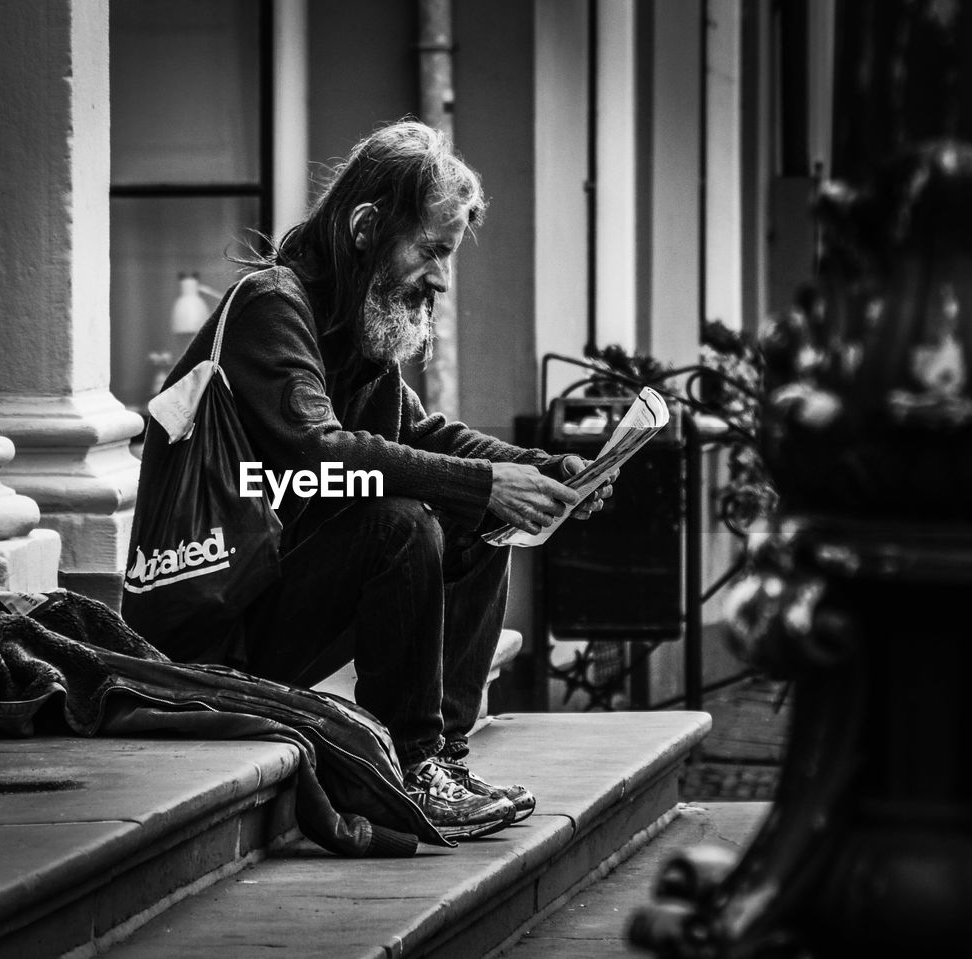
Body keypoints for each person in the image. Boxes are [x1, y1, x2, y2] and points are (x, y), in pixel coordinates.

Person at [138, 121, 615, 840]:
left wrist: (540, 470)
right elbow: (318, 453)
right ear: (366, 226)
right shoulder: (274, 304)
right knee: (395, 520)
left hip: (273, 601)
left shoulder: (355, 334)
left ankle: (442, 762)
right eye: (431, 250)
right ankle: (413, 766)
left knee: (471, 513)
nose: (441, 279)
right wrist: (486, 480)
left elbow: (421, 435)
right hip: (212, 631)